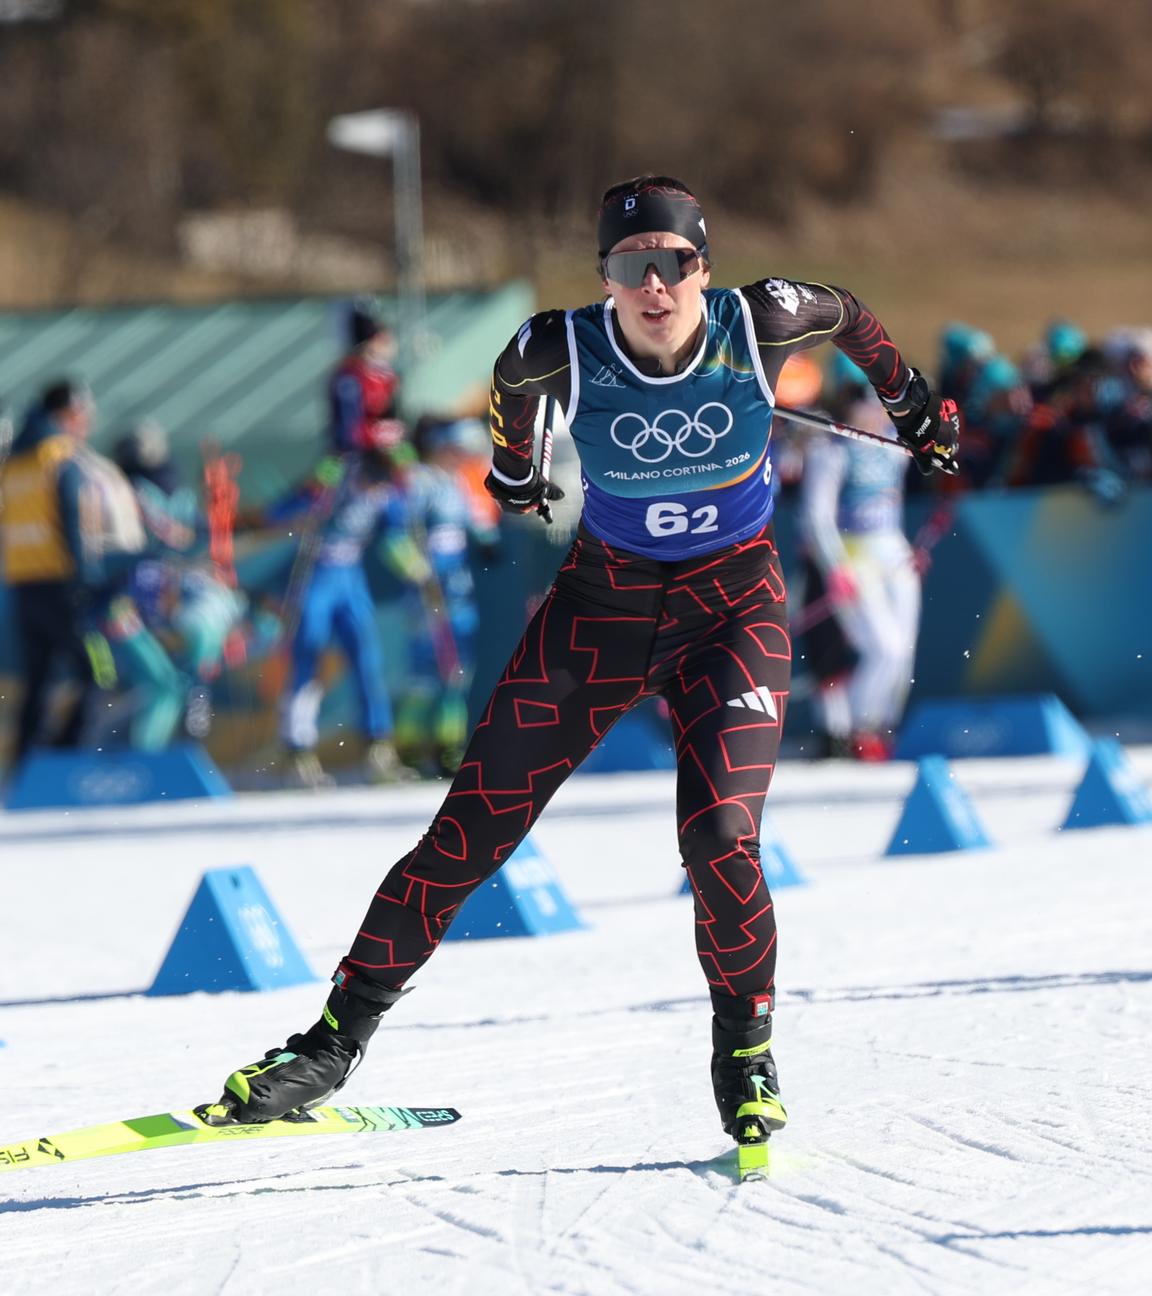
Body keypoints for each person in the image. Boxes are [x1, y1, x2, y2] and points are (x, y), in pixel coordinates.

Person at [204, 175, 958, 1166]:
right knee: (465, 837)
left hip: (732, 615)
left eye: (672, 263)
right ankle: (328, 1047)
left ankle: (746, 1053)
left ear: (703, 267)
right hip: (600, 615)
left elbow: (852, 317)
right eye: (631, 265)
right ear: (606, 276)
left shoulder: (764, 320)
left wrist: (912, 407)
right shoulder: (555, 345)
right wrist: (516, 469)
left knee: (721, 837)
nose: (653, 286)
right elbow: (509, 396)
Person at [247, 419, 420, 788]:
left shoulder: (389, 489)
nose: (383, 480)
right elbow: (284, 511)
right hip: (316, 573)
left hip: (350, 576)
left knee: (366, 658)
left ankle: (377, 747)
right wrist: (314, 488)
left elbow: (394, 536)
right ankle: (297, 749)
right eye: (382, 467)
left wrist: (414, 568)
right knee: (307, 655)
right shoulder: (339, 477)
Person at [797, 354, 921, 762]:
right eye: (862, 400)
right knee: (884, 648)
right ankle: (856, 730)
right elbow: (817, 517)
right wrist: (836, 568)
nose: (872, 410)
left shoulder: (894, 442)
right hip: (854, 559)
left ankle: (880, 729)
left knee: (903, 652)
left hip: (893, 554)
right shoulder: (832, 450)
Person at [328, 299, 402, 453]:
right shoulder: (349, 379)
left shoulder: (387, 377)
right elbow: (347, 433)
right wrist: (380, 435)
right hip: (353, 455)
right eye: (384, 340)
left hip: (383, 453)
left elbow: (394, 420)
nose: (391, 346)